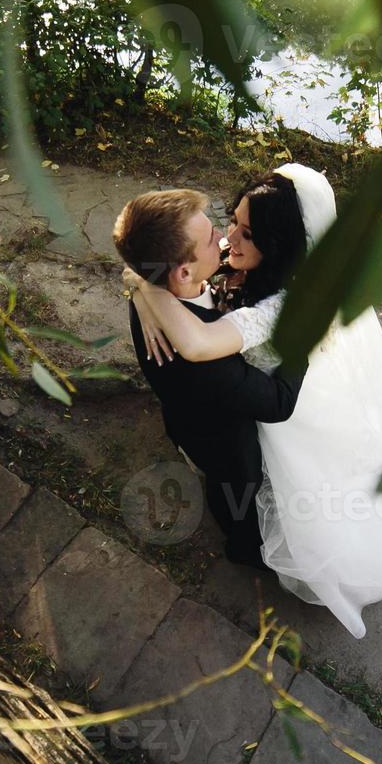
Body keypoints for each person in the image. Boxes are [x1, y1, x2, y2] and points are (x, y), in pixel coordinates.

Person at [124, 164, 382, 638]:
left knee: (299, 473)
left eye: (244, 233)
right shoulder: (224, 261)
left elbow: (210, 352)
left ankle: (254, 536)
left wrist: (148, 290)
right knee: (242, 464)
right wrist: (142, 284)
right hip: (226, 405)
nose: (227, 241)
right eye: (228, 225)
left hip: (288, 386)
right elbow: (154, 263)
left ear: (279, 241)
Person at [111, 188, 306, 569]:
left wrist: (137, 287)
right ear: (183, 271)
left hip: (187, 412)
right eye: (210, 238)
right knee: (238, 497)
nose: (223, 238)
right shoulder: (206, 363)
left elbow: (136, 272)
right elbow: (279, 403)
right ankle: (246, 550)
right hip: (227, 448)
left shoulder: (159, 284)